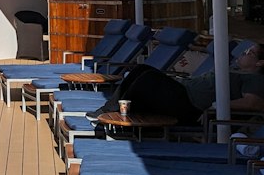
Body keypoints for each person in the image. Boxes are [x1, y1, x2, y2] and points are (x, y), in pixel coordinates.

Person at [88, 42, 264, 125]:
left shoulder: (255, 78)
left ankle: (120, 117)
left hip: (189, 105)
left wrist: (218, 106)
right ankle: (108, 110)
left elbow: (253, 103)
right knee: (141, 69)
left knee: (147, 79)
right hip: (183, 91)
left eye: (250, 53)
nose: (244, 53)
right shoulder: (235, 70)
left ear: (259, 63)